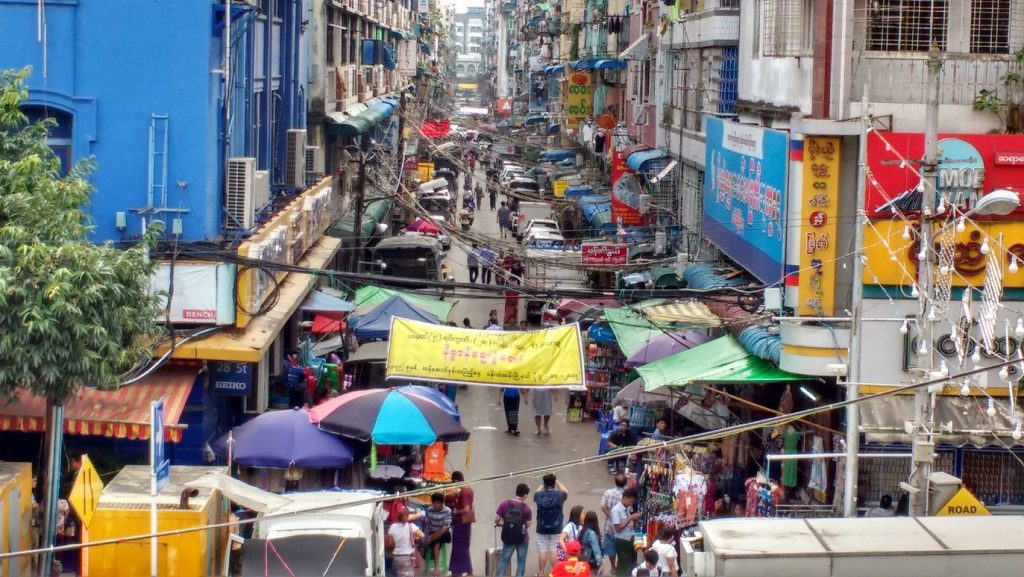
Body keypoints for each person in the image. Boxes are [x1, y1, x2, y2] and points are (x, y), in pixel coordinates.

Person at [534, 473, 570, 576]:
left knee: (543, 550)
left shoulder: (539, 495)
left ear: (544, 484)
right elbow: (565, 491)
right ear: (554, 483)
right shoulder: (559, 495)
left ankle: (541, 572)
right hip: (556, 527)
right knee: (554, 550)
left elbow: (536, 492)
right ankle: (556, 572)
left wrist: (543, 484)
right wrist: (557, 481)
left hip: (541, 527)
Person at [495, 483, 533, 577]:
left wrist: (504, 525)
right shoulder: (527, 508)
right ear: (525, 495)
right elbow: (527, 525)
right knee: (521, 563)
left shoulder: (504, 504)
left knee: (504, 560)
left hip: (508, 538)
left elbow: (496, 520)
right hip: (523, 539)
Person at [449, 471, 475, 577]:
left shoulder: (464, 493)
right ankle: (458, 571)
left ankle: (467, 571)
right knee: (460, 547)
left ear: (456, 481)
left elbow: (466, 509)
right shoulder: (466, 490)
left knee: (461, 548)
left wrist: (455, 511)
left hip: (461, 524)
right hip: (461, 524)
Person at [611, 489, 642, 577]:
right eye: (630, 501)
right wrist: (631, 518)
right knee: (624, 565)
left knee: (630, 564)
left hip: (629, 539)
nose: (631, 504)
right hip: (622, 541)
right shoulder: (616, 510)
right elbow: (618, 528)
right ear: (624, 497)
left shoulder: (626, 509)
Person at [600, 474, 627, 573]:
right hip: (623, 526)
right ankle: (620, 566)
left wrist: (612, 517)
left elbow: (603, 507)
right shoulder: (626, 495)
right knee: (622, 548)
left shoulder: (608, 492)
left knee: (611, 548)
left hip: (609, 526)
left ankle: (613, 567)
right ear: (625, 483)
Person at [422, 493, 452, 577]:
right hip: (433, 532)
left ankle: (428, 541)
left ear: (442, 503)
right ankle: (436, 568)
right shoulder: (429, 510)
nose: (436, 505)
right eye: (434, 503)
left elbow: (446, 526)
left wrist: (429, 538)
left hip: (444, 533)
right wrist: (426, 534)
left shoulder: (447, 510)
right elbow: (427, 524)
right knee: (436, 542)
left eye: (438, 503)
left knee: (443, 529)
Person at [388, 508, 425, 577]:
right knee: (409, 574)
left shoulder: (392, 527)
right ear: (408, 517)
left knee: (400, 573)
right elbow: (422, 536)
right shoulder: (411, 526)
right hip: (408, 555)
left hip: (397, 556)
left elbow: (391, 543)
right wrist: (415, 538)